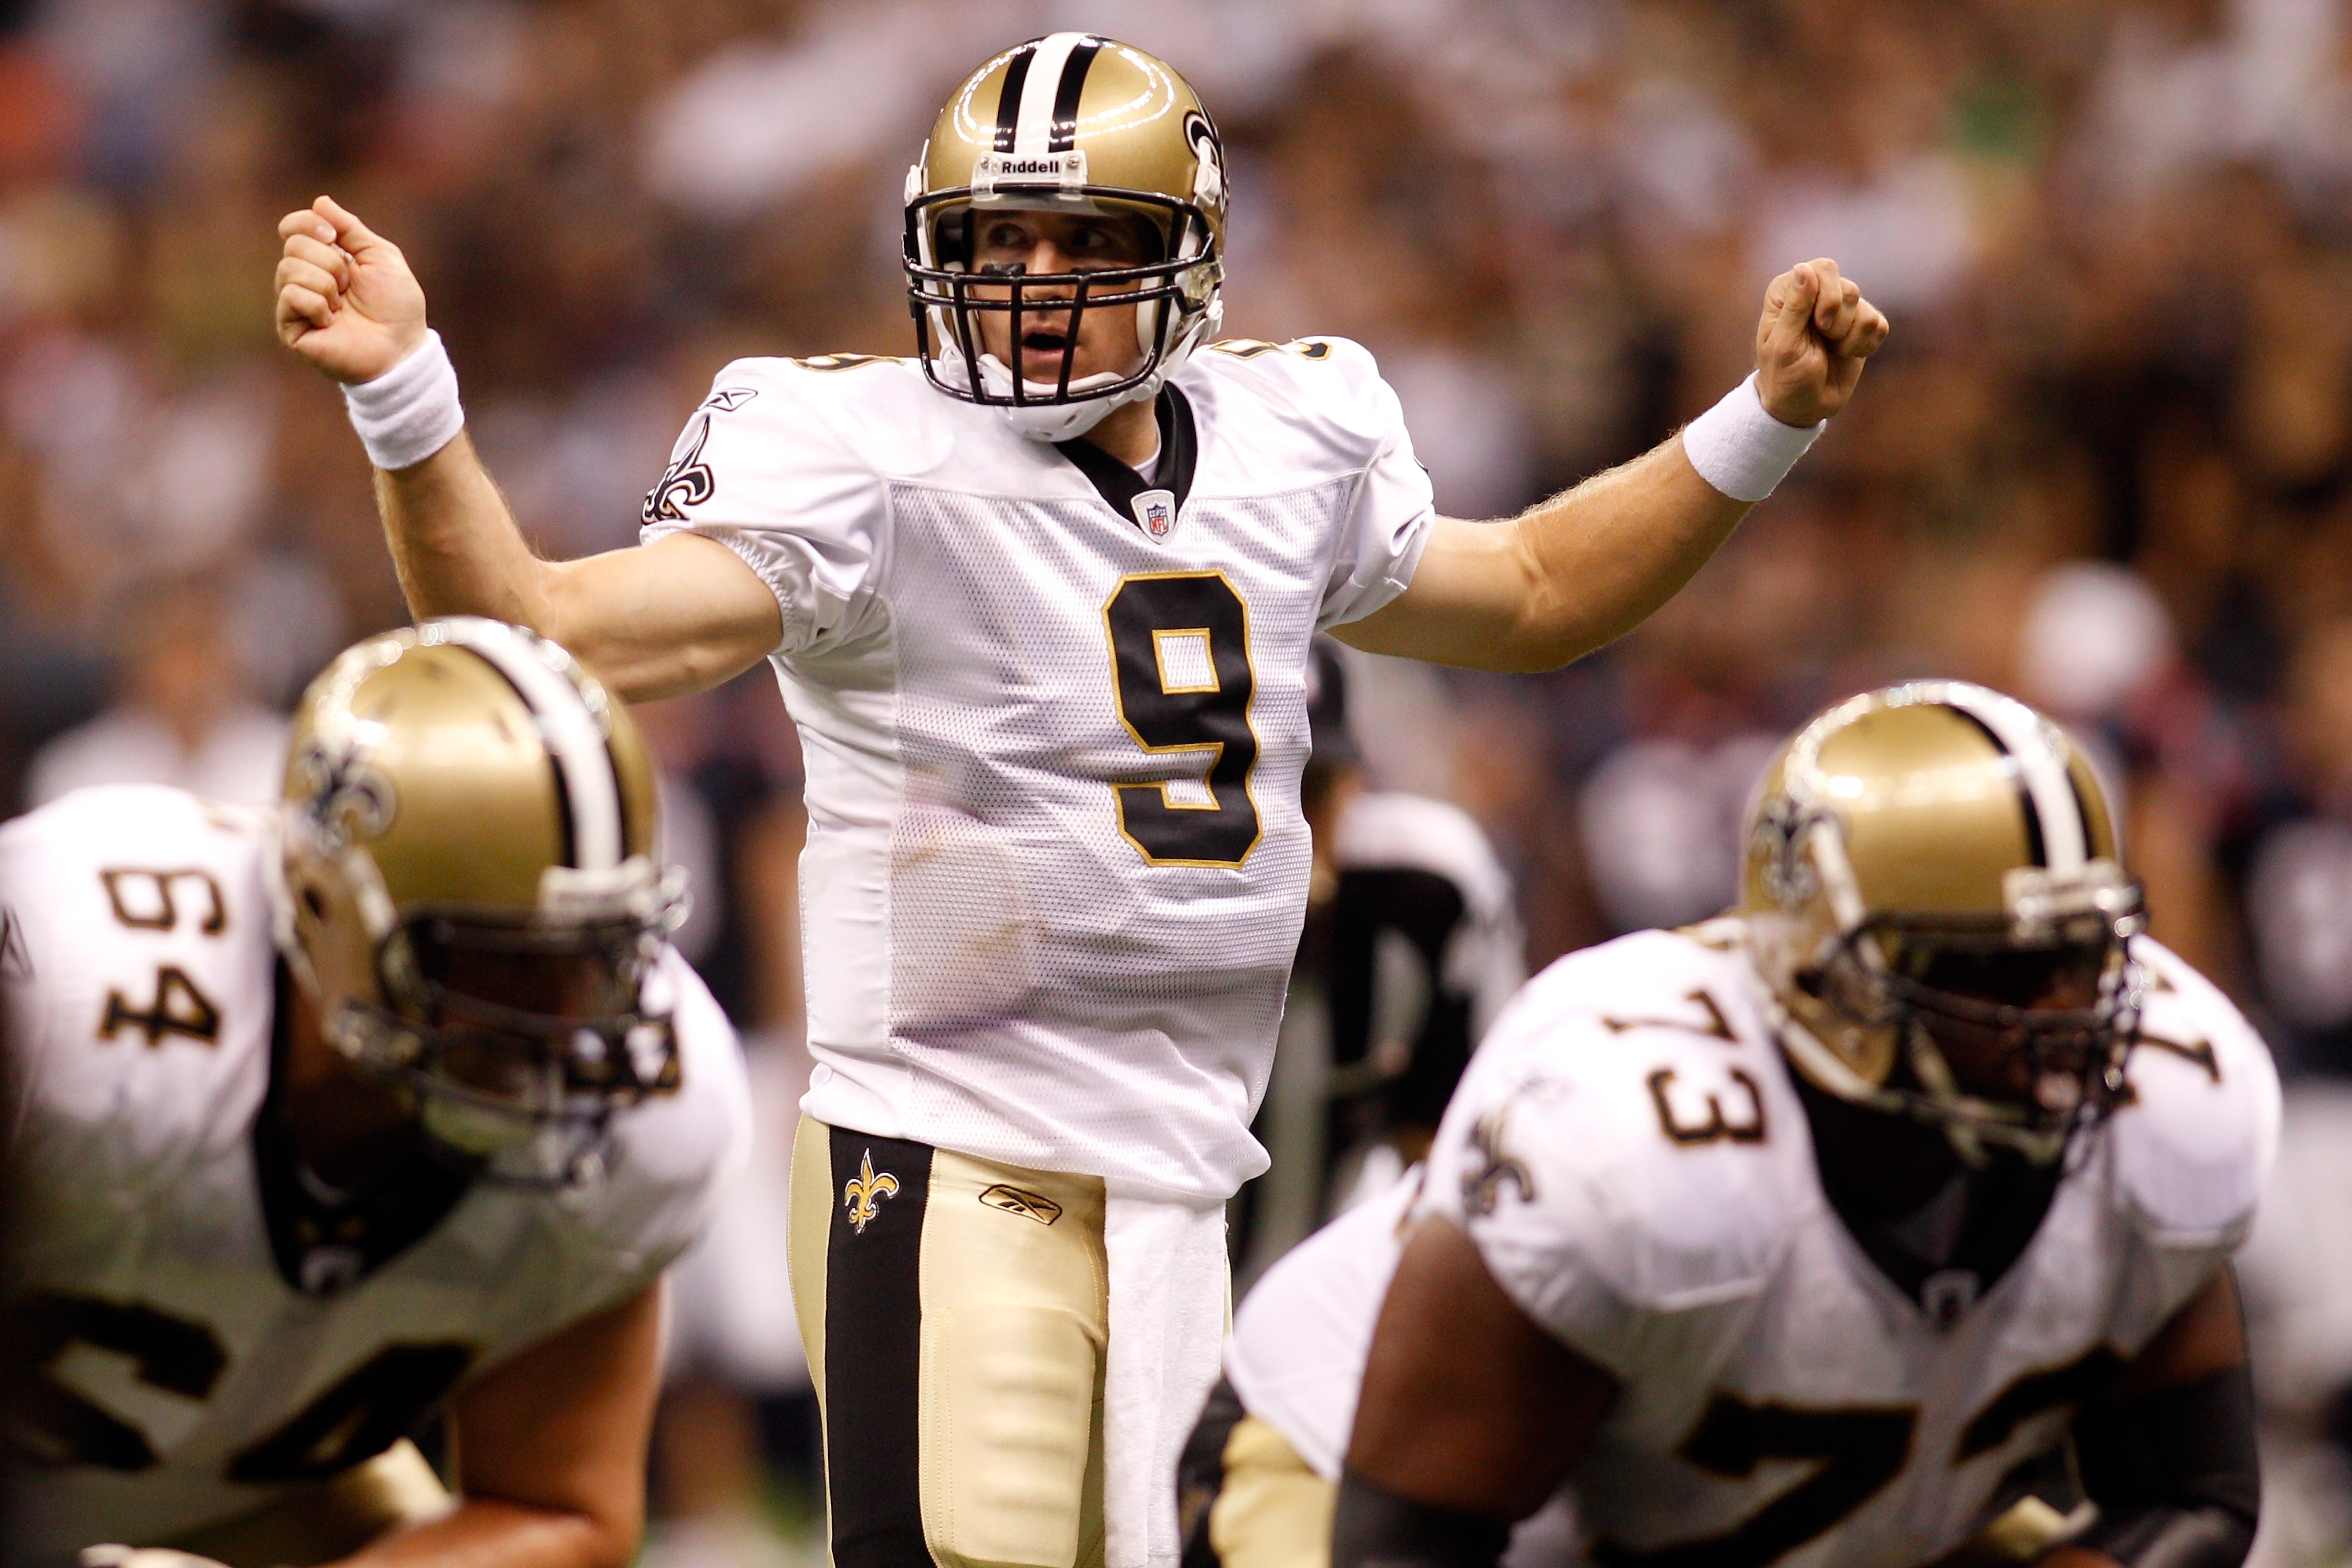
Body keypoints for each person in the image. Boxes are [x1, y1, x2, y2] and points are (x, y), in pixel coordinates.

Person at [270, 34, 1888, 1568]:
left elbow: (1536, 590)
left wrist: (1757, 424)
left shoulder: (1290, 432)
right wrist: (406, 393)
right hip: (947, 1136)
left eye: (1081, 239)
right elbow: (543, 634)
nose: (1031, 285)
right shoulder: (863, 454)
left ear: (1184, 252)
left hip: (1192, 1163)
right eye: (995, 240)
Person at [1262, 682, 2271, 1568]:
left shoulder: (2167, 1106)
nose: (2061, 1017)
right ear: (1825, 975)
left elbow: (2191, 1498)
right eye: (1997, 972)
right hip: (1361, 1479)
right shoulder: (1637, 1141)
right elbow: (1407, 1546)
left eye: (2083, 958)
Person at [0, 618, 751, 1568]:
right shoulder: (76, 988)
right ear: (324, 913)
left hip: (253, 1505)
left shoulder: (653, 1102)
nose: (563, 1030)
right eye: (497, 966)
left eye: (593, 964)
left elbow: (563, 1512)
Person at [1234, 639, 1520, 1282]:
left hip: (1325, 1307)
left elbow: (1455, 1164)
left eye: (1306, 790)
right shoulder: (1121, 916)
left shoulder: (1427, 891)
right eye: (1245, 788)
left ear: (1353, 788)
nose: (1281, 827)